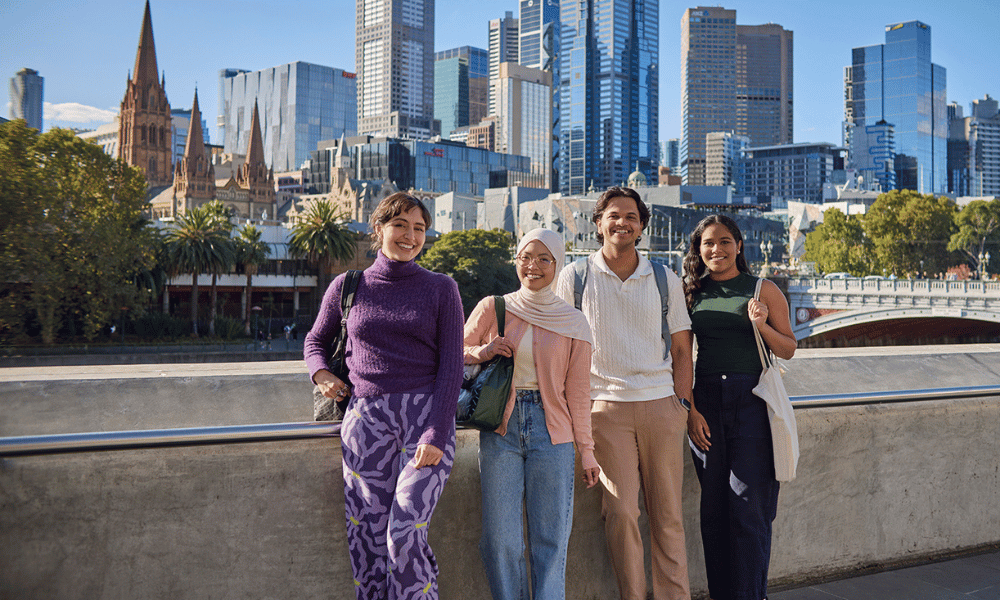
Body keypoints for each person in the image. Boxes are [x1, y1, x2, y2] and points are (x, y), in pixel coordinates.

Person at [304, 192, 464, 600]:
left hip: (426, 421)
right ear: (378, 229)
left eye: (420, 228)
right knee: (368, 540)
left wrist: (435, 433)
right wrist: (321, 375)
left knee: (404, 531)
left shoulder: (442, 289)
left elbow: (452, 368)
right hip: (365, 422)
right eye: (400, 225)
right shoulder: (348, 285)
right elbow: (315, 341)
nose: (411, 236)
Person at [555, 187, 694, 600]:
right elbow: (562, 347)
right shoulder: (575, 277)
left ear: (642, 226)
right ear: (598, 224)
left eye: (631, 216)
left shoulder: (664, 278)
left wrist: (682, 406)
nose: (622, 222)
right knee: (620, 513)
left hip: (661, 406)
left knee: (668, 517)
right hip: (605, 410)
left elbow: (683, 348)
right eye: (613, 215)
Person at [464, 228, 600, 600]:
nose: (533, 266)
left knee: (551, 539)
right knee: (500, 540)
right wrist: (484, 350)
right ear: (516, 260)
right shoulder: (496, 307)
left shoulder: (574, 322)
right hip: (500, 430)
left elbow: (578, 392)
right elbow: (456, 352)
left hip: (553, 432)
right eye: (525, 257)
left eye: (544, 259)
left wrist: (586, 450)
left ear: (557, 265)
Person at [683, 214, 797, 600]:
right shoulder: (690, 293)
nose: (717, 250)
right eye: (709, 243)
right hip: (707, 404)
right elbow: (681, 354)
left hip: (751, 403)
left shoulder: (762, 289)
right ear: (698, 250)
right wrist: (690, 410)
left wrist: (761, 325)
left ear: (739, 245)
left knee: (749, 510)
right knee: (713, 512)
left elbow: (789, 349)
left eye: (725, 241)